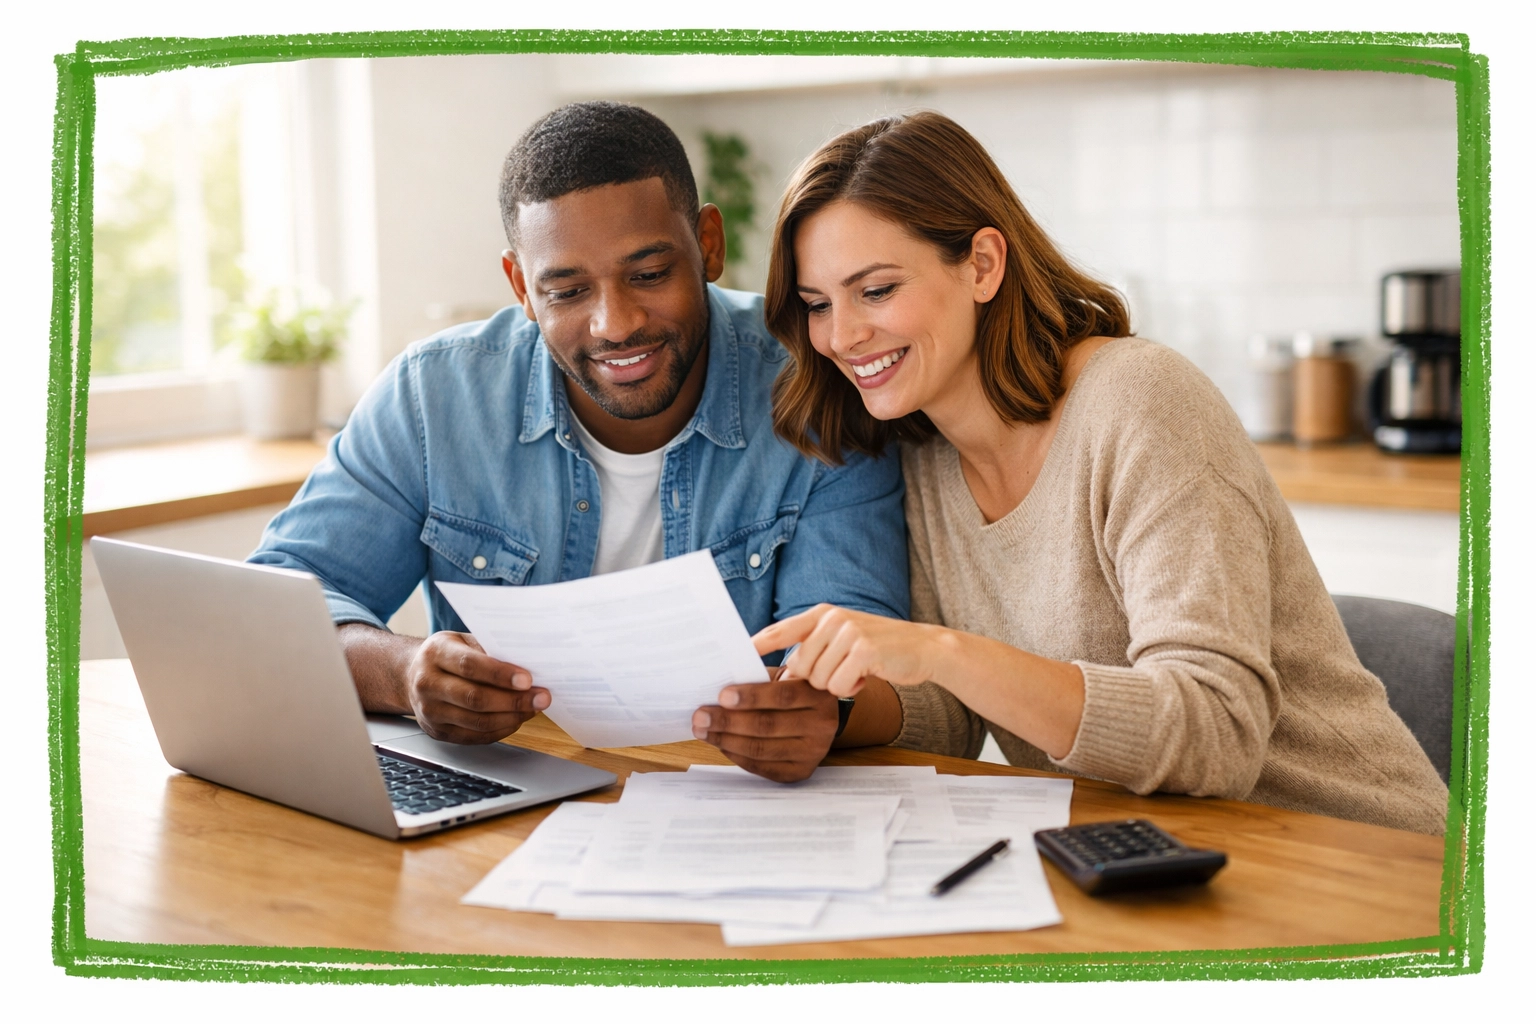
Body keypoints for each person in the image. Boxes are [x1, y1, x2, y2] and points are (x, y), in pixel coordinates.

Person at [752, 111, 1448, 833]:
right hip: (1154, 858)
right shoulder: (923, 450)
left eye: (876, 290)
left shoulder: (1141, 401)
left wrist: (944, 650)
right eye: (816, 305)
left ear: (983, 264)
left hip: (1357, 856)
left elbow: (1215, 734)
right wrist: (821, 705)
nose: (841, 335)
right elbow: (955, 717)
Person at [249, 101, 909, 783]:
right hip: (509, 808)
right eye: (565, 291)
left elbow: (867, 656)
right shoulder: (434, 397)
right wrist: (405, 673)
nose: (614, 324)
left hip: (735, 814)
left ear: (708, 244)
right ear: (520, 287)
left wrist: (825, 713)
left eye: (650, 275)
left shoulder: (815, 390)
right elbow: (274, 606)